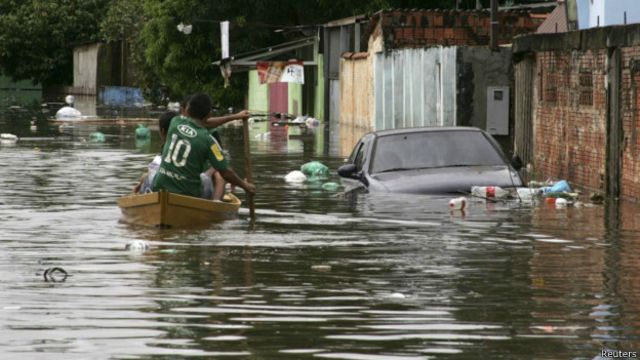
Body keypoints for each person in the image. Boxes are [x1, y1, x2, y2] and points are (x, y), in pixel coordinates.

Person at [151, 93, 255, 198]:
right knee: (208, 182)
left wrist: (237, 116)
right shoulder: (210, 141)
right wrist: (245, 186)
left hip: (159, 187)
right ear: (209, 114)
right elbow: (226, 173)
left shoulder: (175, 122)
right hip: (187, 194)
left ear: (187, 110)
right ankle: (215, 203)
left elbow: (205, 123)